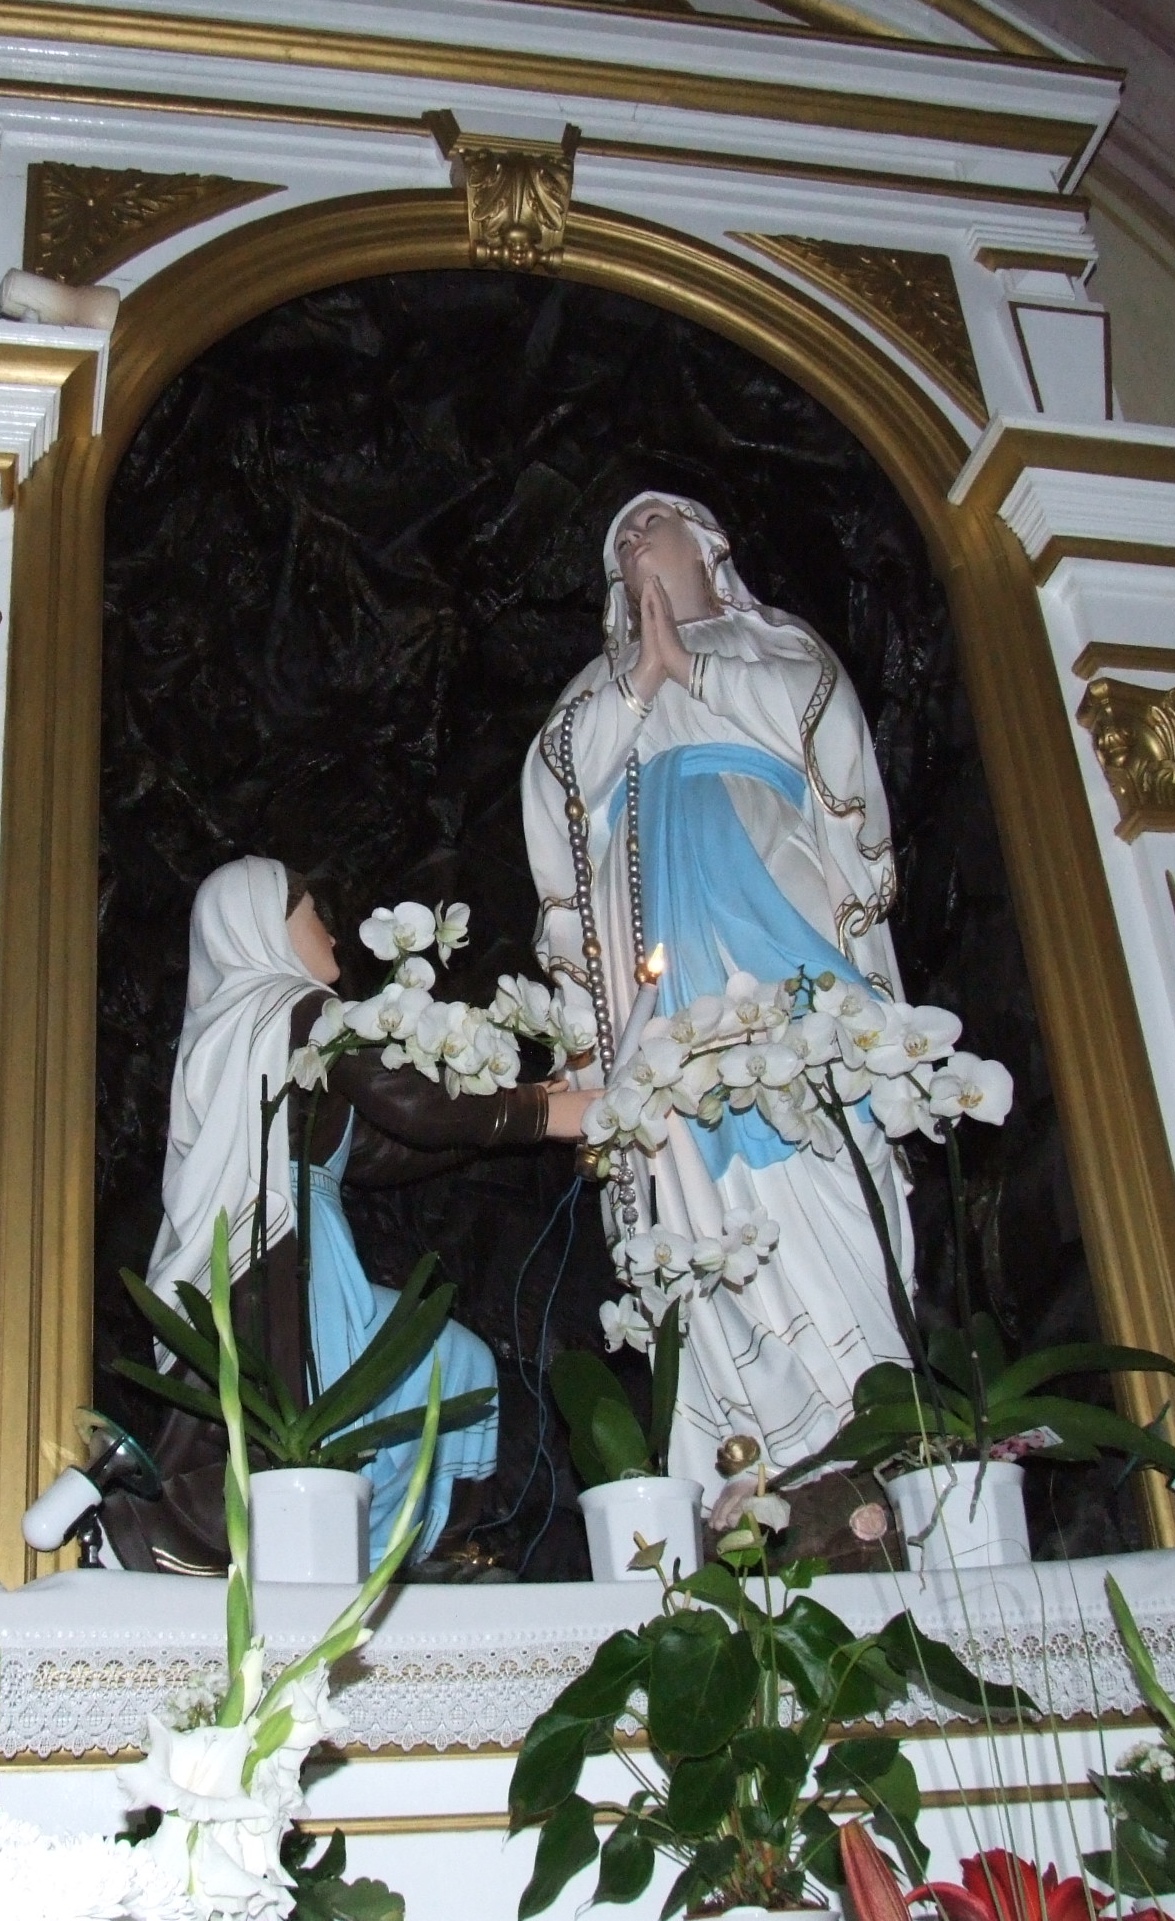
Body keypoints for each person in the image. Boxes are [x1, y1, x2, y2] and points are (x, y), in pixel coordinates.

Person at [521, 491, 916, 1500]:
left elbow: (828, 732)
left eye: (650, 525)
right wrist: (641, 683)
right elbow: (554, 789)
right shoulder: (602, 684)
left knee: (815, 1104)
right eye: (618, 541)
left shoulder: (773, 642)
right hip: (656, 943)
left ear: (707, 546)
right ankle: (750, 1436)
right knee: (692, 1151)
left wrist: (693, 669)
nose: (633, 542)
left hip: (772, 895)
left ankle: (863, 1401)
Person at [103, 855, 594, 1574]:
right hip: (283, 1256)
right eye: (312, 916)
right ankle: (201, 1538)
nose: (332, 936)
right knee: (316, 1422)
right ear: (263, 926)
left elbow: (375, 1149)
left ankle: (415, 1545)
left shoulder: (249, 1026)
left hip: (309, 1242)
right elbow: (408, 1106)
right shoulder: (296, 1011)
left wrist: (497, 1127)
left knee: (453, 1360)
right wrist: (539, 1115)